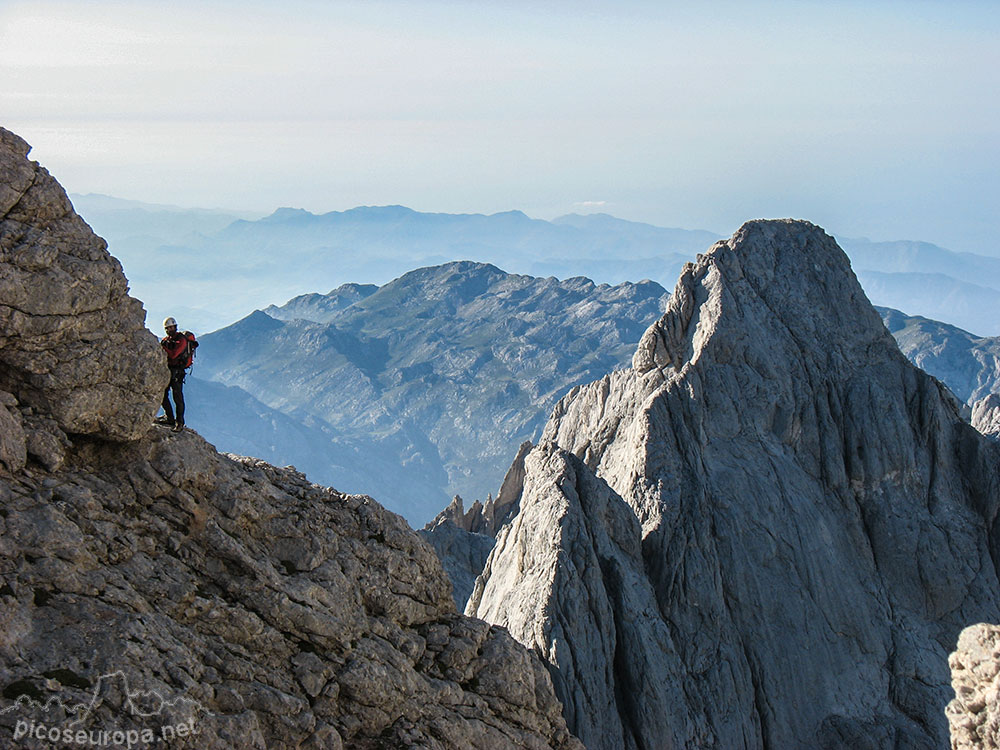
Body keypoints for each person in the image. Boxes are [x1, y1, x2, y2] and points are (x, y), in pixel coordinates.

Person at [155, 316, 196, 432]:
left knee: (177, 397)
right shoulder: (166, 340)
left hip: (178, 371)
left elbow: (173, 355)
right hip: (169, 370)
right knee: (163, 394)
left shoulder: (181, 340)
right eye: (168, 328)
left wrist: (163, 347)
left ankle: (179, 422)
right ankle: (169, 418)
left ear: (175, 327)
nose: (170, 330)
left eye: (171, 327)